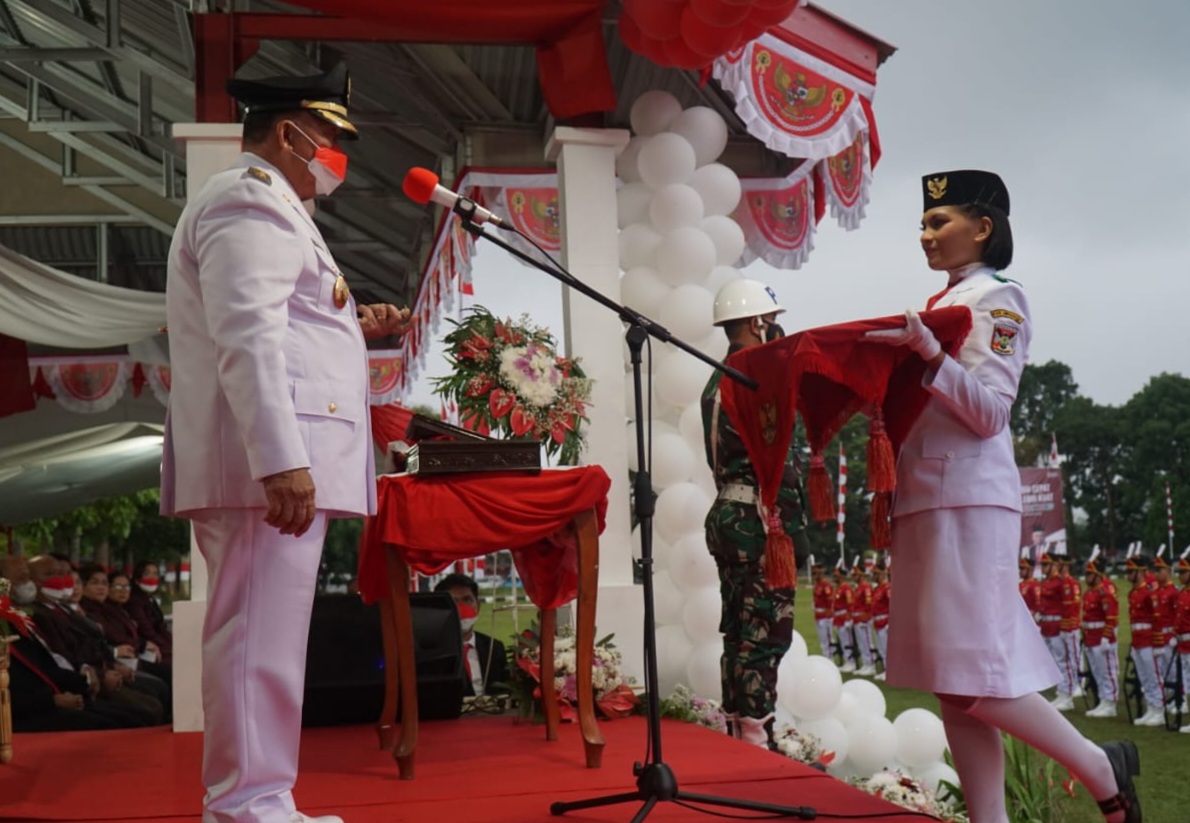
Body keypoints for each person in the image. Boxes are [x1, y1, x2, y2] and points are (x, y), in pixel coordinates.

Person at [159, 62, 412, 823]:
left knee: (265, 638)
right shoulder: (250, 200)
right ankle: (245, 805)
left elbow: (282, 319)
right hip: (259, 463)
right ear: (286, 132)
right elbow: (246, 334)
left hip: (264, 460)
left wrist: (349, 323)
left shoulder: (275, 211)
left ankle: (261, 797)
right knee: (253, 640)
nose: (337, 156)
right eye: (330, 139)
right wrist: (282, 458)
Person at [864, 170, 1141, 823]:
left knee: (977, 676)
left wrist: (928, 353)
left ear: (982, 227)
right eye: (924, 224)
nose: (926, 235)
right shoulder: (950, 300)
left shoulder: (999, 298)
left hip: (966, 497)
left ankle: (1102, 766)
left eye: (940, 222)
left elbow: (989, 412)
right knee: (954, 684)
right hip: (930, 495)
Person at [701, 278, 808, 749]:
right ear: (758, 321)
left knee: (738, 632)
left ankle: (736, 729)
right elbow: (779, 452)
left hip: (728, 510)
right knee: (765, 635)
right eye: (773, 320)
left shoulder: (717, 376)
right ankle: (757, 738)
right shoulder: (754, 374)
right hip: (760, 520)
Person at [432, 573, 508, 699]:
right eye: (453, 601)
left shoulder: (494, 648)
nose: (461, 608)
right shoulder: (433, 653)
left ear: (478, 606)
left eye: (467, 600)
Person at [1125, 553, 1164, 727]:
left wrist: (1157, 641)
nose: (1128, 574)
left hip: (1148, 639)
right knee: (1145, 677)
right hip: (1138, 639)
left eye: (1131, 571)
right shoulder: (1135, 592)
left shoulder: (1149, 592)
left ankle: (1159, 709)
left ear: (1139, 572)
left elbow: (1157, 618)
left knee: (1154, 676)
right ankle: (1151, 708)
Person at [1083, 551, 1121, 718]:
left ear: (1097, 575)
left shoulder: (1105, 592)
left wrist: (1106, 636)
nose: (1086, 577)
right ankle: (1103, 700)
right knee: (1098, 671)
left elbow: (1111, 617)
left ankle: (1110, 702)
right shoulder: (1090, 592)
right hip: (1091, 636)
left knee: (1107, 671)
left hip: (1101, 636)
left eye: (1090, 574)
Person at [125, 560, 173, 664]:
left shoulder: (149, 599)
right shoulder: (134, 601)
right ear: (137, 578)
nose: (152, 577)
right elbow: (146, 630)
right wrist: (169, 646)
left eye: (155, 574)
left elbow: (160, 626)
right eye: (147, 574)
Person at [1057, 556, 1085, 705]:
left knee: (1075, 657)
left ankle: (1080, 683)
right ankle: (1068, 684)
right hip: (1063, 625)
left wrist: (1071, 623)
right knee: (1065, 658)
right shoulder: (1061, 583)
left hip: (1071, 625)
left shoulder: (1071, 583)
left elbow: (1073, 606)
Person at [850, 561, 876, 677]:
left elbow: (868, 604)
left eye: (856, 575)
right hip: (857, 620)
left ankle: (871, 665)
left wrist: (865, 618)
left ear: (861, 575)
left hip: (863, 620)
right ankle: (866, 663)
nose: (854, 577)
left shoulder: (865, 587)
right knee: (861, 643)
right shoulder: (858, 588)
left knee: (867, 642)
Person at [830, 560, 856, 673]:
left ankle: (851, 662)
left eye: (836, 576)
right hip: (839, 618)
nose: (834, 578)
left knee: (848, 641)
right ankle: (847, 661)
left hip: (844, 617)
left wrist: (849, 619)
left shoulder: (846, 588)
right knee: (842, 641)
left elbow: (850, 604)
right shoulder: (839, 588)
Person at [1175, 552, 1190, 732]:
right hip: (1183, 645)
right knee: (1187, 682)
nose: (1180, 575)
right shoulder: (1182, 593)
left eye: (1183, 572)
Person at [809, 557, 834, 658]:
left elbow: (830, 600)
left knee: (828, 639)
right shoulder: (817, 585)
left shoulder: (825, 584)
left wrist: (828, 613)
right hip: (818, 615)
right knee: (822, 640)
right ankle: (826, 656)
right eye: (814, 573)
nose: (815, 575)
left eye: (817, 573)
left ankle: (830, 658)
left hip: (825, 616)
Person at [870, 560, 891, 681]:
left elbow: (892, 606)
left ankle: (889, 671)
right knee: (881, 648)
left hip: (884, 622)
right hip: (877, 622)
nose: (874, 576)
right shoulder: (877, 589)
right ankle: (884, 669)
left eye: (876, 574)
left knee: (886, 648)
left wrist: (890, 622)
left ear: (881, 574)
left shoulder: (886, 588)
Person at [1018, 557, 1042, 623]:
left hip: (1030, 618)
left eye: (1023, 569)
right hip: (1019, 618)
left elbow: (1038, 603)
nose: (1020, 571)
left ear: (1030, 570)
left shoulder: (1034, 585)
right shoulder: (1019, 585)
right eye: (1020, 569)